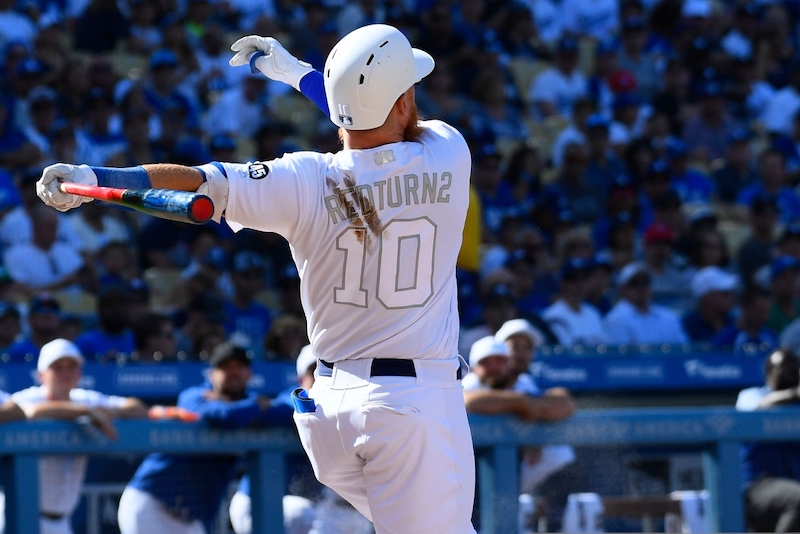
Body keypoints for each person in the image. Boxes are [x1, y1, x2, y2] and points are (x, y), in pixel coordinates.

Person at [35, 24, 476, 533]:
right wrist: (299, 76)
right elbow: (381, 124)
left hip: (328, 410)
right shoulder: (449, 149)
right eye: (409, 90)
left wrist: (96, 179)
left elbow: (200, 181)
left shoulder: (305, 177)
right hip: (410, 405)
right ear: (401, 102)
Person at [116, 342, 294, 534]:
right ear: (211, 374)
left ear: (249, 373)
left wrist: (252, 407)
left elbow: (287, 411)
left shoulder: (252, 401)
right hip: (152, 503)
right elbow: (220, 416)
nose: (233, 372)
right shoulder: (194, 396)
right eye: (225, 367)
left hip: (191, 518)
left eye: (239, 367)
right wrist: (257, 407)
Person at [11, 338, 148, 534]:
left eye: (71, 366)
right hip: (20, 517)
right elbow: (29, 411)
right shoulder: (30, 397)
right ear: (41, 374)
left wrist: (112, 413)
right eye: (57, 367)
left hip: (62, 522)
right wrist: (85, 412)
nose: (65, 373)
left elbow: (138, 408)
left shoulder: (85, 398)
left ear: (80, 373)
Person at [463, 336, 576, 532]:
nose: (494, 367)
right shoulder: (470, 383)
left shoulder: (522, 384)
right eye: (485, 362)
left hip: (517, 471)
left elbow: (564, 405)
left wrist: (536, 429)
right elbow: (468, 401)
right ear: (474, 367)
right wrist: (521, 404)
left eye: (499, 361)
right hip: (471, 475)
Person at [735, 349, 800, 532]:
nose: (788, 374)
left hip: (791, 483)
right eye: (782, 370)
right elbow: (758, 408)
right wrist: (794, 394)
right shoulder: (751, 395)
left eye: (792, 369)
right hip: (757, 487)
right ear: (768, 374)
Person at [603, 262, 689, 346]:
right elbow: (621, 358)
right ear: (621, 290)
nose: (641, 288)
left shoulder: (668, 317)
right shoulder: (615, 319)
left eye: (645, 282)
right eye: (634, 283)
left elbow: (683, 350)